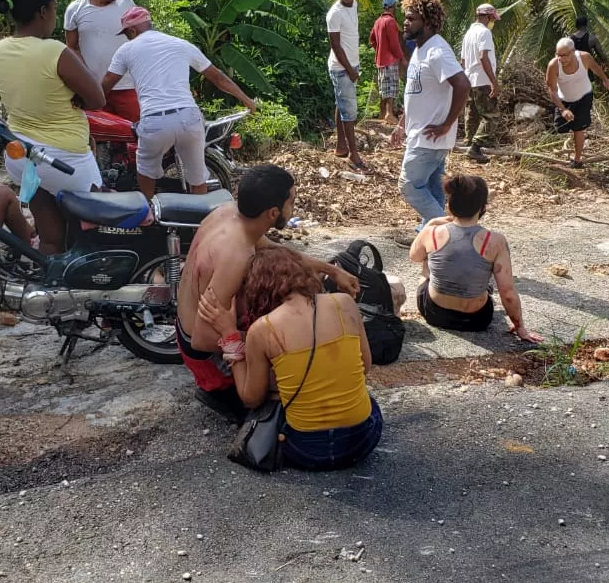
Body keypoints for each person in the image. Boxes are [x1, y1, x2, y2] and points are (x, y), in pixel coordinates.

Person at [176, 164, 359, 420]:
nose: (294, 206)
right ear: (273, 212)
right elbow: (202, 338)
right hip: (204, 357)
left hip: (189, 329)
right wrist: (266, 343)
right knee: (304, 365)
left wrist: (330, 269)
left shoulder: (230, 213)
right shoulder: (236, 255)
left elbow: (276, 253)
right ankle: (230, 396)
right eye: (292, 201)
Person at [197, 247, 383, 471]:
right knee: (369, 404)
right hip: (361, 441)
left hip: (306, 450)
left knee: (278, 393)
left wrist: (230, 337)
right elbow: (365, 366)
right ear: (303, 274)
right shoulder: (344, 303)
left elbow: (250, 399)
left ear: (258, 288)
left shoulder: (262, 329)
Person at [0, 0, 107, 255]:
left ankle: (48, 285)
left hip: (22, 155)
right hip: (65, 160)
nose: (55, 14)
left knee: (50, 234)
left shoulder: (1, 49)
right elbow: (97, 99)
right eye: (54, 8)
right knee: (96, 231)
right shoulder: (54, 51)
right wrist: (75, 96)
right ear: (43, 11)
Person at [101, 7, 255, 201]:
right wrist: (247, 101)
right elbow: (218, 78)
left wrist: (86, 103)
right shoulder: (181, 44)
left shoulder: (127, 49)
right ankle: (198, 219)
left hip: (155, 120)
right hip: (188, 117)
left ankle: (148, 213)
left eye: (126, 34)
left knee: (145, 170)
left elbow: (107, 83)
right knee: (197, 178)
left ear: (131, 31)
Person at [409, 174, 542, 342]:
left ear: (450, 205)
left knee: (427, 261)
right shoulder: (495, 241)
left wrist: (431, 223)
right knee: (483, 273)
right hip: (477, 320)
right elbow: (507, 293)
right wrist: (520, 327)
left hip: (434, 313)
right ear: (482, 208)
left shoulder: (432, 232)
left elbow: (414, 256)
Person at [392, 0, 470, 224]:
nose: (405, 22)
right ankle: (430, 237)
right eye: (405, 18)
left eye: (411, 18)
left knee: (408, 186)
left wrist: (447, 123)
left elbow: (463, 84)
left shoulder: (437, 51)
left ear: (427, 22)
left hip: (428, 138)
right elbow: (416, 93)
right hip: (421, 134)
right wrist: (401, 124)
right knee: (431, 188)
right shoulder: (420, 49)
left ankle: (449, 229)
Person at [63, 0, 140, 122]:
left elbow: (139, 39)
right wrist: (85, 77)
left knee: (136, 134)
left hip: (126, 85)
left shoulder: (126, 4)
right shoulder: (75, 9)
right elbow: (72, 47)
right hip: (94, 90)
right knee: (99, 137)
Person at [545, 37, 609, 167]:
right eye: (558, 55)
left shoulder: (584, 58)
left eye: (564, 55)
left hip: (584, 97)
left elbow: (595, 68)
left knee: (578, 128)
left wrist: (605, 79)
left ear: (572, 51)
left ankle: (577, 160)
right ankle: (565, 147)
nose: (561, 59)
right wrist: (563, 109)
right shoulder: (553, 66)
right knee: (560, 128)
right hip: (564, 100)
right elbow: (552, 91)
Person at [326, 0, 366, 170]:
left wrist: (354, 67)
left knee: (341, 104)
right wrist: (350, 70)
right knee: (349, 111)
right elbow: (335, 45)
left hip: (352, 65)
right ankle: (353, 154)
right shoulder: (335, 13)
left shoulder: (354, 5)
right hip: (342, 67)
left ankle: (341, 146)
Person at [460, 3, 500, 163]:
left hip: (470, 79)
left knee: (472, 113)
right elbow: (484, 57)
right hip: (482, 79)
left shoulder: (469, 33)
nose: (493, 22)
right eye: (493, 19)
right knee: (491, 116)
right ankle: (475, 147)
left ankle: (469, 141)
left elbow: (463, 61)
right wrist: (494, 81)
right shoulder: (484, 32)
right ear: (489, 17)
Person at [369, 0, 405, 126]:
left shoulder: (378, 21)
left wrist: (379, 50)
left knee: (383, 86)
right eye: (395, 7)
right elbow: (394, 44)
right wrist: (402, 58)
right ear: (391, 7)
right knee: (391, 87)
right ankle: (389, 113)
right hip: (390, 60)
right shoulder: (390, 22)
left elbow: (372, 39)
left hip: (380, 60)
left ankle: (383, 112)